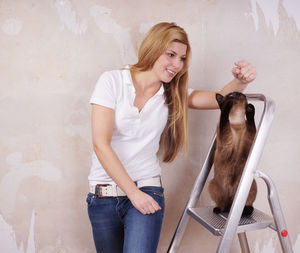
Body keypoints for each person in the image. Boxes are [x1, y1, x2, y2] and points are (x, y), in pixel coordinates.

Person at [86, 22, 257, 253]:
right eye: (171, 55)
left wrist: (241, 81)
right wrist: (131, 193)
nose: (177, 65)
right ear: (153, 49)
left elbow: (220, 98)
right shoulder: (112, 81)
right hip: (102, 194)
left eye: (182, 58)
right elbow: (101, 144)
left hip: (146, 191)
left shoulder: (172, 94)